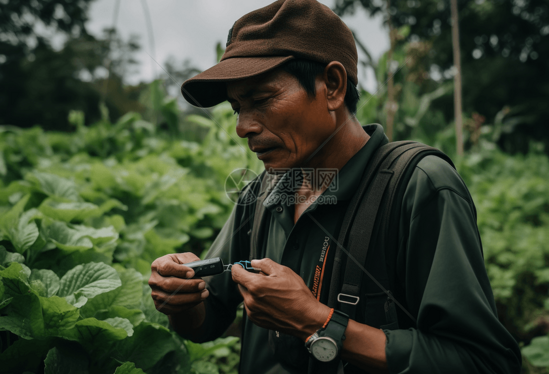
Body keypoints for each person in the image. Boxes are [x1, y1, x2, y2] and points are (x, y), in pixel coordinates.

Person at [149, 0, 522, 373]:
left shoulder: (418, 187)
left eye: (262, 100)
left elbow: (484, 362)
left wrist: (317, 322)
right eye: (236, 107)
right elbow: (208, 316)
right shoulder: (263, 193)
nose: (242, 126)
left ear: (332, 85)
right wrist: (183, 298)